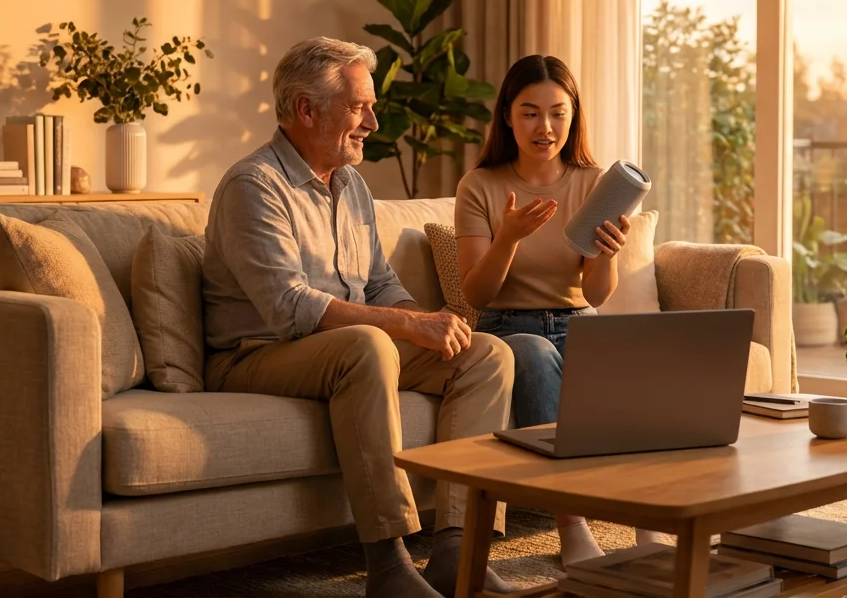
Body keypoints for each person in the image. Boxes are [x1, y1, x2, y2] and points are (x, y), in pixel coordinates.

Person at [202, 37, 516, 598]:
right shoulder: (253, 186)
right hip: (253, 353)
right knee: (368, 344)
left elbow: (379, 283)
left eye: (370, 106)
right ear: (306, 109)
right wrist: (403, 327)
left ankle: (457, 551)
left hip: (336, 348)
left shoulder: (351, 185)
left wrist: (426, 321)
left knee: (486, 354)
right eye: (358, 106)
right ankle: (389, 567)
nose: (373, 121)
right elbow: (290, 307)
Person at [453, 54, 638, 568]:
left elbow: (596, 295)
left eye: (558, 112)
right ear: (507, 116)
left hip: (579, 321)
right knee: (534, 354)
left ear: (573, 116)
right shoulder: (481, 186)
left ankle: (651, 520)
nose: (545, 127)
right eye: (530, 112)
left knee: (637, 360)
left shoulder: (593, 183)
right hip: (507, 328)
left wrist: (607, 253)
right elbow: (477, 294)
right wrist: (508, 237)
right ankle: (572, 524)